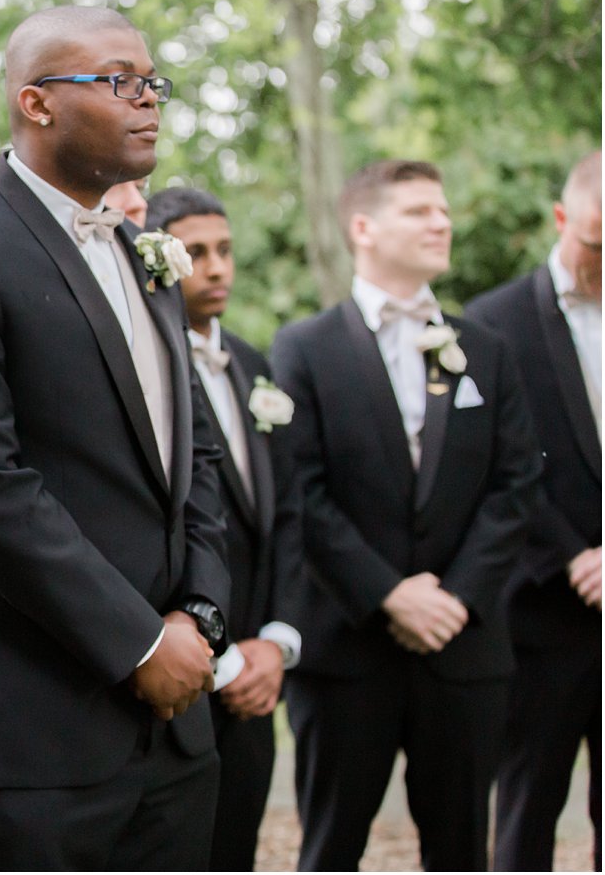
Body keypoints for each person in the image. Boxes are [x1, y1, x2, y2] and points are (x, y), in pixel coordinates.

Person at [0, 5, 231, 871]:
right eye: (119, 81)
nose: (148, 100)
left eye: (153, 82)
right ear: (35, 104)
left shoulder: (143, 254)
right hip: (31, 730)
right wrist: (140, 643)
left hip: (174, 729)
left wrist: (200, 618)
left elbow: (197, 457)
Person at [269, 159, 542, 871]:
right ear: (364, 228)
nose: (442, 221)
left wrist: (453, 598)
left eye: (443, 209)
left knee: (461, 854)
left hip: (463, 647)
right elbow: (302, 489)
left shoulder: (485, 348)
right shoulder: (304, 348)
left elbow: (515, 484)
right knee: (331, 849)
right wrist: (388, 594)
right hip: (347, 651)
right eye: (420, 210)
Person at [147, 186, 302, 871]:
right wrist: (222, 652)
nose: (216, 268)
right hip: (182, 678)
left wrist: (276, 643)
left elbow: (286, 518)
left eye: (226, 250)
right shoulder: (147, 366)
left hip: (259, 682)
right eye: (197, 253)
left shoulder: (253, 363)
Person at [468, 149, 602, 872]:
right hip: (542, 614)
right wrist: (573, 555)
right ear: (561, 218)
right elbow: (490, 465)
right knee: (526, 813)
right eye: (597, 242)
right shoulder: (492, 326)